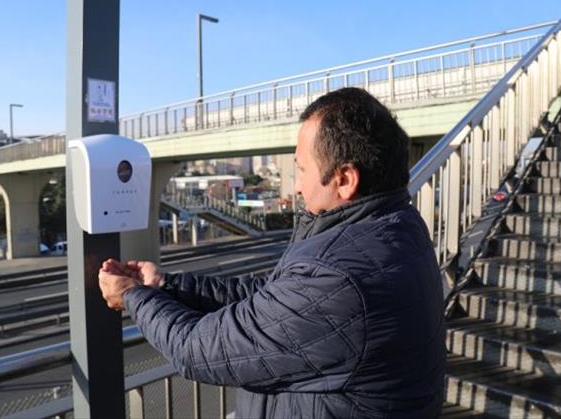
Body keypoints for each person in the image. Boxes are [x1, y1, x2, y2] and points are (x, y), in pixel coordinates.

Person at [99, 87, 445, 418]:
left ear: (344, 180)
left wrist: (134, 297)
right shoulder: (395, 228)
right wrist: (167, 285)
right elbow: (271, 300)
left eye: (302, 169)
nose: (296, 185)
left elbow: (197, 350)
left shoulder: (340, 276)